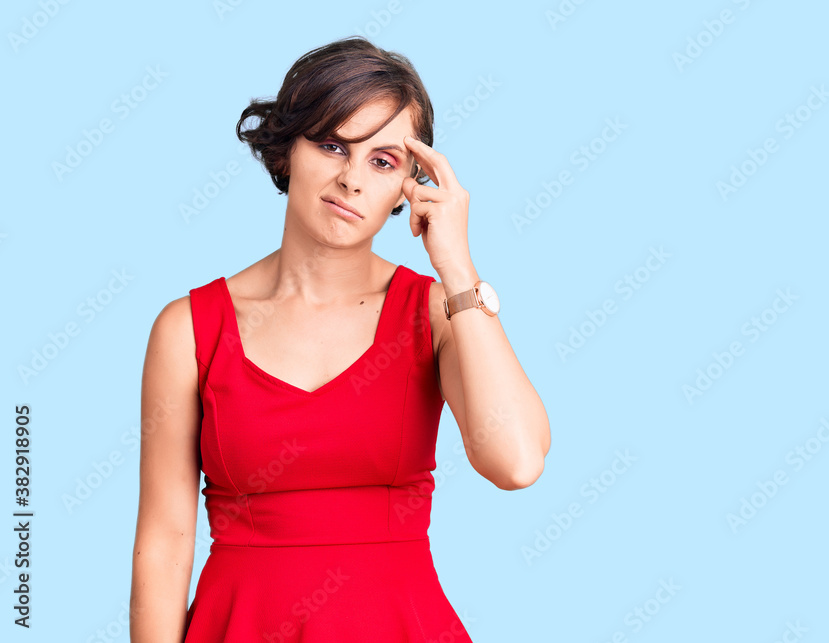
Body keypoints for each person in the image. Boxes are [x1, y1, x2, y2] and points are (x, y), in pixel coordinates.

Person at [129, 36, 550, 641]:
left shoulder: (436, 313)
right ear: (287, 151)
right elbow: (165, 538)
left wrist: (457, 267)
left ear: (412, 184)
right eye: (332, 145)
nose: (351, 179)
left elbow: (515, 461)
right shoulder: (189, 328)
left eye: (383, 161)